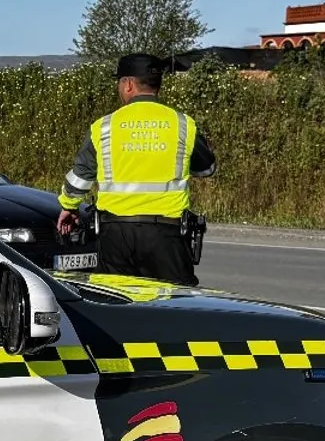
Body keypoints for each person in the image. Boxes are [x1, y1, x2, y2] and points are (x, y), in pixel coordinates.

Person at [55, 52, 216, 285]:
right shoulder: (182, 124)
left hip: (115, 235)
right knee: (173, 305)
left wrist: (68, 206)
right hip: (167, 236)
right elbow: (207, 169)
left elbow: (80, 178)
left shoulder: (104, 127)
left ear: (128, 83)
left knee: (117, 304)